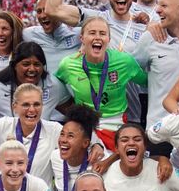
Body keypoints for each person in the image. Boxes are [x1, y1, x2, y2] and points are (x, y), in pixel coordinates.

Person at [55, 16, 147, 146]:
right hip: (83, 125)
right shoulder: (68, 65)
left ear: (108, 39)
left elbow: (149, 82)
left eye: (102, 33)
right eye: (92, 33)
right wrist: (67, 108)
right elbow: (53, 87)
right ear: (82, 38)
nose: (97, 37)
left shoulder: (124, 62)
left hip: (116, 124)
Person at [0, 41, 70, 123]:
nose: (32, 69)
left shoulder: (53, 85)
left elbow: (73, 113)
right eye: (26, 64)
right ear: (14, 66)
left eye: (37, 64)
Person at [50, 107, 102, 191]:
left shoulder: (97, 164)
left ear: (85, 143)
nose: (63, 140)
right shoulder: (55, 157)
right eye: (62, 134)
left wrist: (99, 145)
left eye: (70, 136)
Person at [24, 0, 82, 74]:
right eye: (39, 11)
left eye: (47, 10)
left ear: (59, 11)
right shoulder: (28, 34)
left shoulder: (79, 33)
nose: (43, 15)